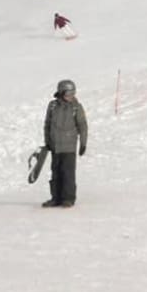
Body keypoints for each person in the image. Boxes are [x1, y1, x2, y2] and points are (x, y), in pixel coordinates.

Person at [43, 79, 88, 208]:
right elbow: (47, 125)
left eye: (73, 94)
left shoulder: (76, 107)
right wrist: (47, 142)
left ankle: (68, 198)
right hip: (56, 146)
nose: (71, 97)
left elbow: (83, 126)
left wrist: (83, 143)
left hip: (69, 147)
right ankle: (56, 198)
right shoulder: (52, 106)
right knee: (55, 172)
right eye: (68, 94)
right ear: (61, 93)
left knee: (68, 173)